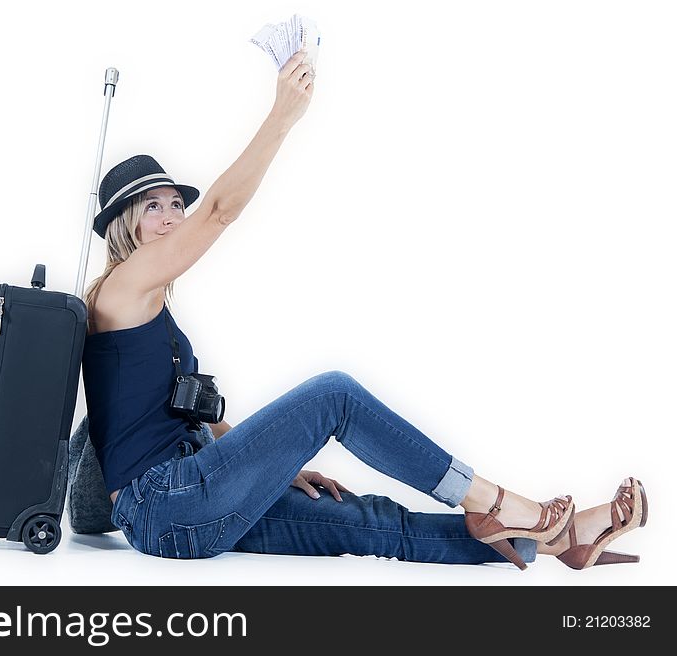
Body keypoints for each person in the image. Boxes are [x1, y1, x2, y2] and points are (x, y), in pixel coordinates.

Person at [81, 50, 647, 570]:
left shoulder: (151, 310)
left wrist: (267, 467)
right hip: (165, 502)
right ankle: (496, 501)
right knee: (334, 395)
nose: (172, 216)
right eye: (151, 207)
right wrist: (282, 115)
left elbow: (194, 413)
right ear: (121, 227)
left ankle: (560, 539)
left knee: (366, 521)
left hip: (186, 508)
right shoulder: (121, 288)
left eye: (176, 204)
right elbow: (220, 213)